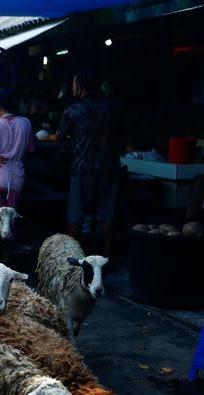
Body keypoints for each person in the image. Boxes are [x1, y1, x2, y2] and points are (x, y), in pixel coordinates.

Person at [57, 70, 118, 256]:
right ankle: (107, 254)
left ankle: (73, 255)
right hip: (109, 167)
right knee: (107, 211)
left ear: (81, 86)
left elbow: (60, 136)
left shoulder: (73, 110)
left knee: (77, 211)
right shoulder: (111, 107)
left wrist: (71, 145)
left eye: (74, 84)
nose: (72, 87)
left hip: (82, 167)